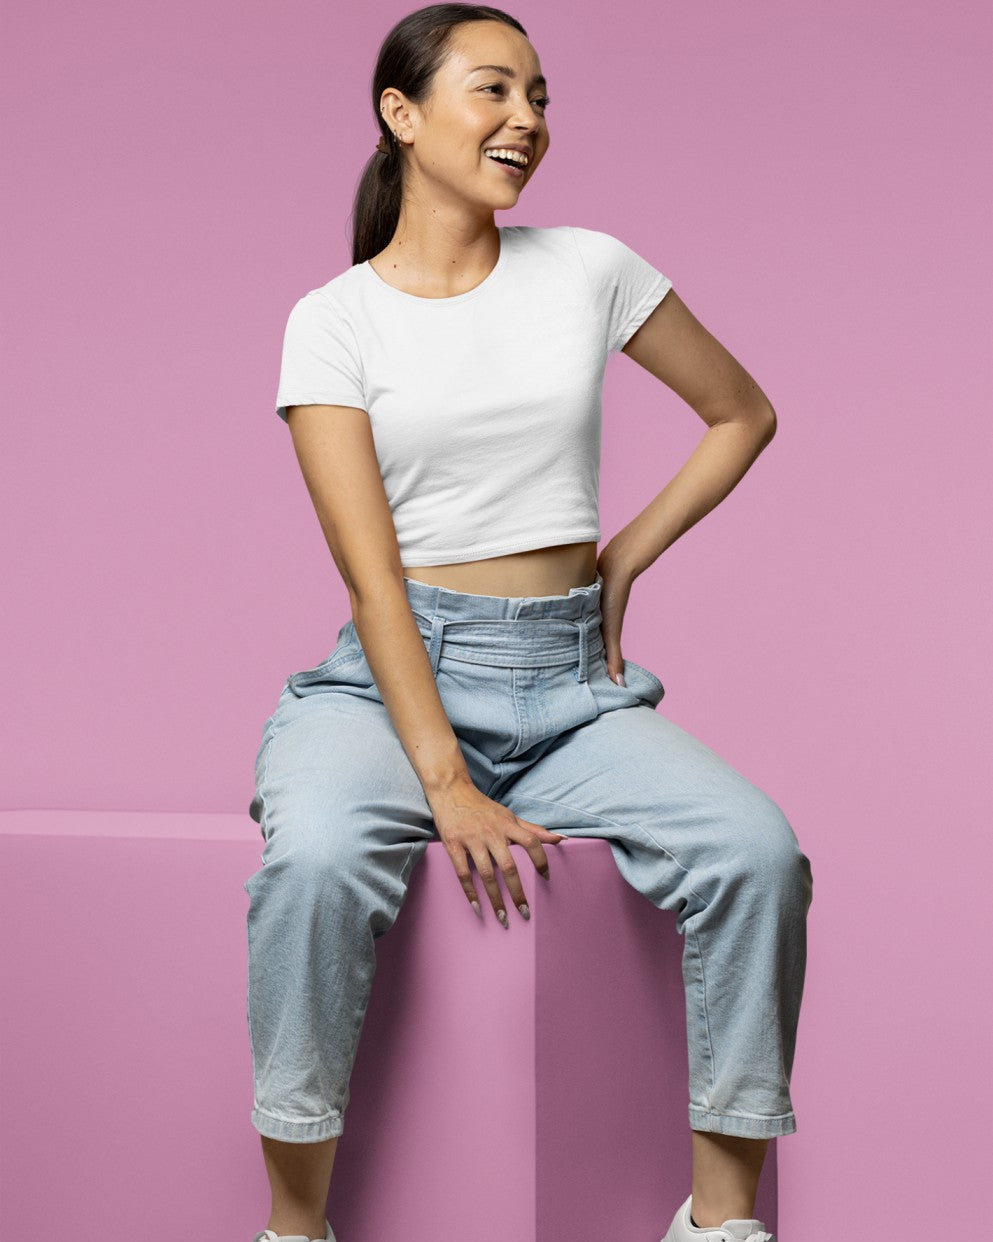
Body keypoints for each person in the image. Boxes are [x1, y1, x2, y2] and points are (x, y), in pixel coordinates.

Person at [245, 5, 813, 1241]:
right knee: (317, 862)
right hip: (396, 681)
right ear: (401, 114)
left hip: (566, 687)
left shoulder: (590, 268)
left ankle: (720, 1228)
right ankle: (295, 1228)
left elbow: (741, 413)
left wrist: (620, 564)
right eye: (493, 91)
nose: (527, 122)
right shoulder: (333, 321)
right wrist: (442, 780)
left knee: (756, 853)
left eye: (542, 97)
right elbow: (372, 578)